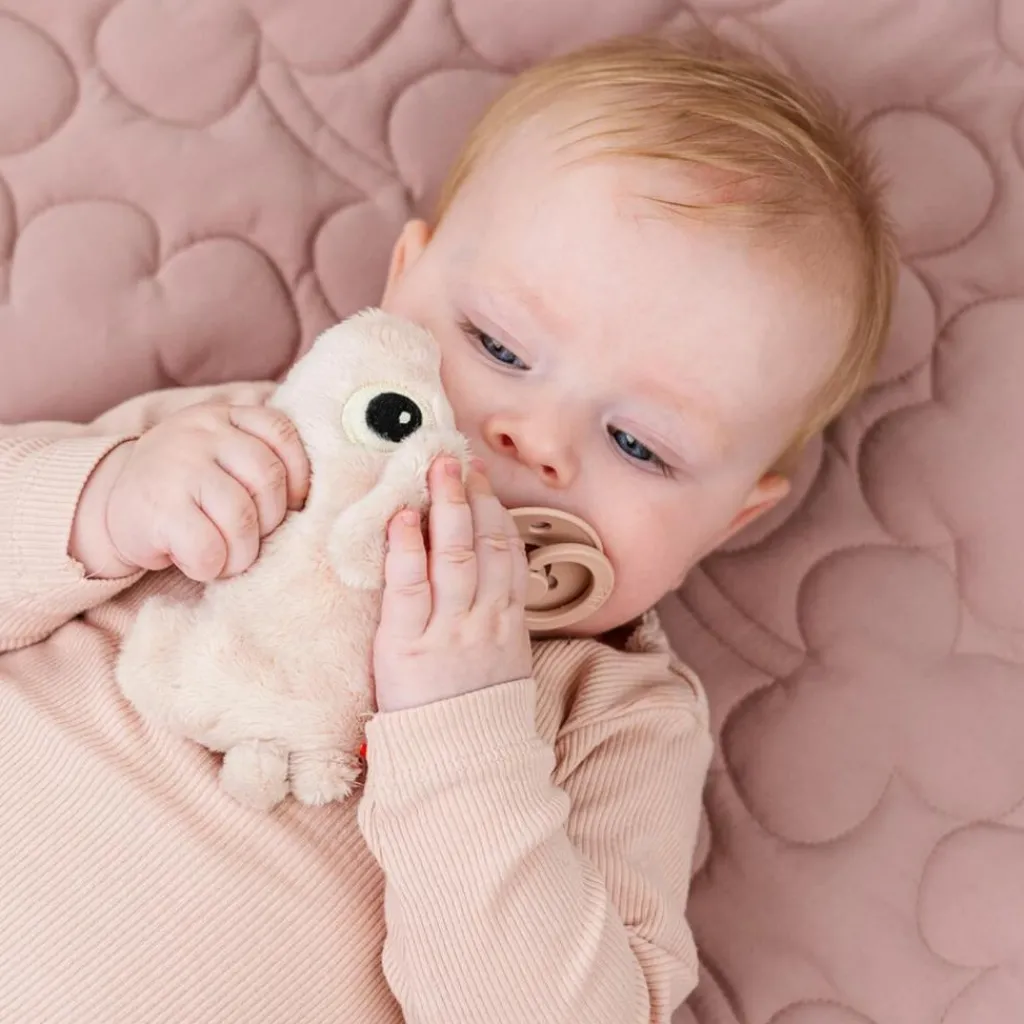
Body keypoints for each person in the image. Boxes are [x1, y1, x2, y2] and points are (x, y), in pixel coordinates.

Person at [0, 34, 896, 1024]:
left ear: (730, 520)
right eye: (497, 346)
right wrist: (102, 504)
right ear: (402, 284)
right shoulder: (246, 443)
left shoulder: (615, 714)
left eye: (640, 445)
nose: (534, 438)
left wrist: (464, 727)